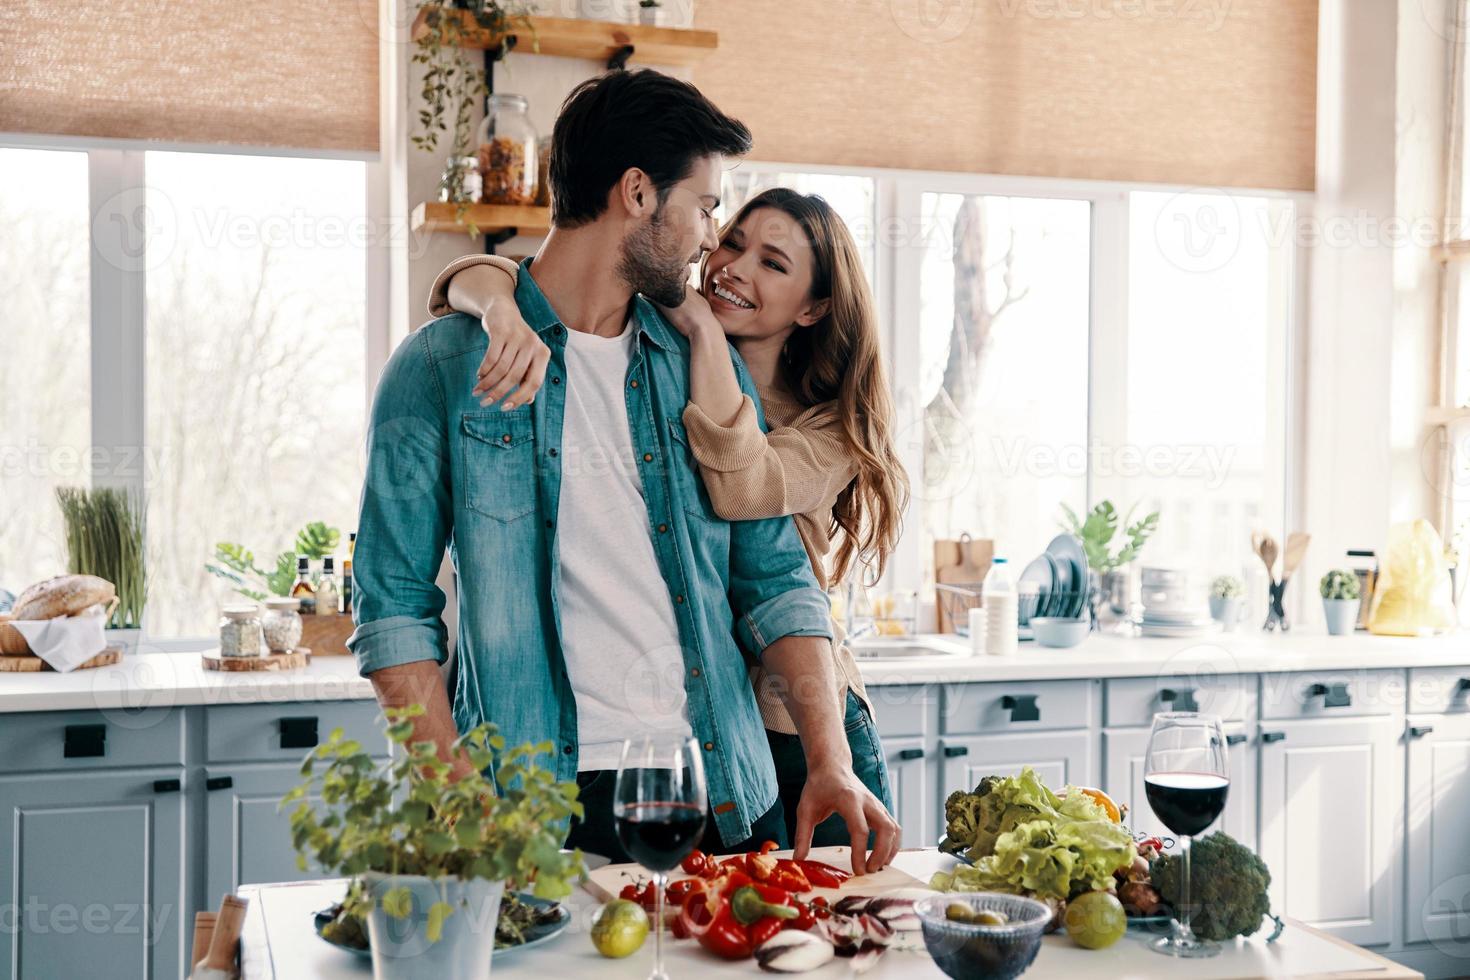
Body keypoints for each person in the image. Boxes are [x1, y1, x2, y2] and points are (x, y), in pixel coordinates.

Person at [350, 68, 899, 873]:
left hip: (719, 794)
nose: (712, 237)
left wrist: (830, 758)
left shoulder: (698, 366)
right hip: (532, 808)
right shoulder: (439, 368)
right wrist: (453, 788)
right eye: (707, 207)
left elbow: (776, 579)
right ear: (639, 193)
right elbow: (392, 603)